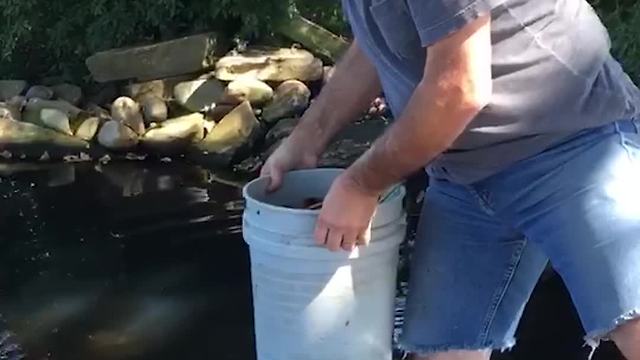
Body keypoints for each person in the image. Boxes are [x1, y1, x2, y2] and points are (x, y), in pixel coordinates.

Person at [260, 0, 640, 359]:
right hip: (464, 173)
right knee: (444, 351)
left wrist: (361, 185)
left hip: (574, 142)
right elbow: (376, 45)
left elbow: (459, 89)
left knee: (635, 327)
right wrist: (307, 138)